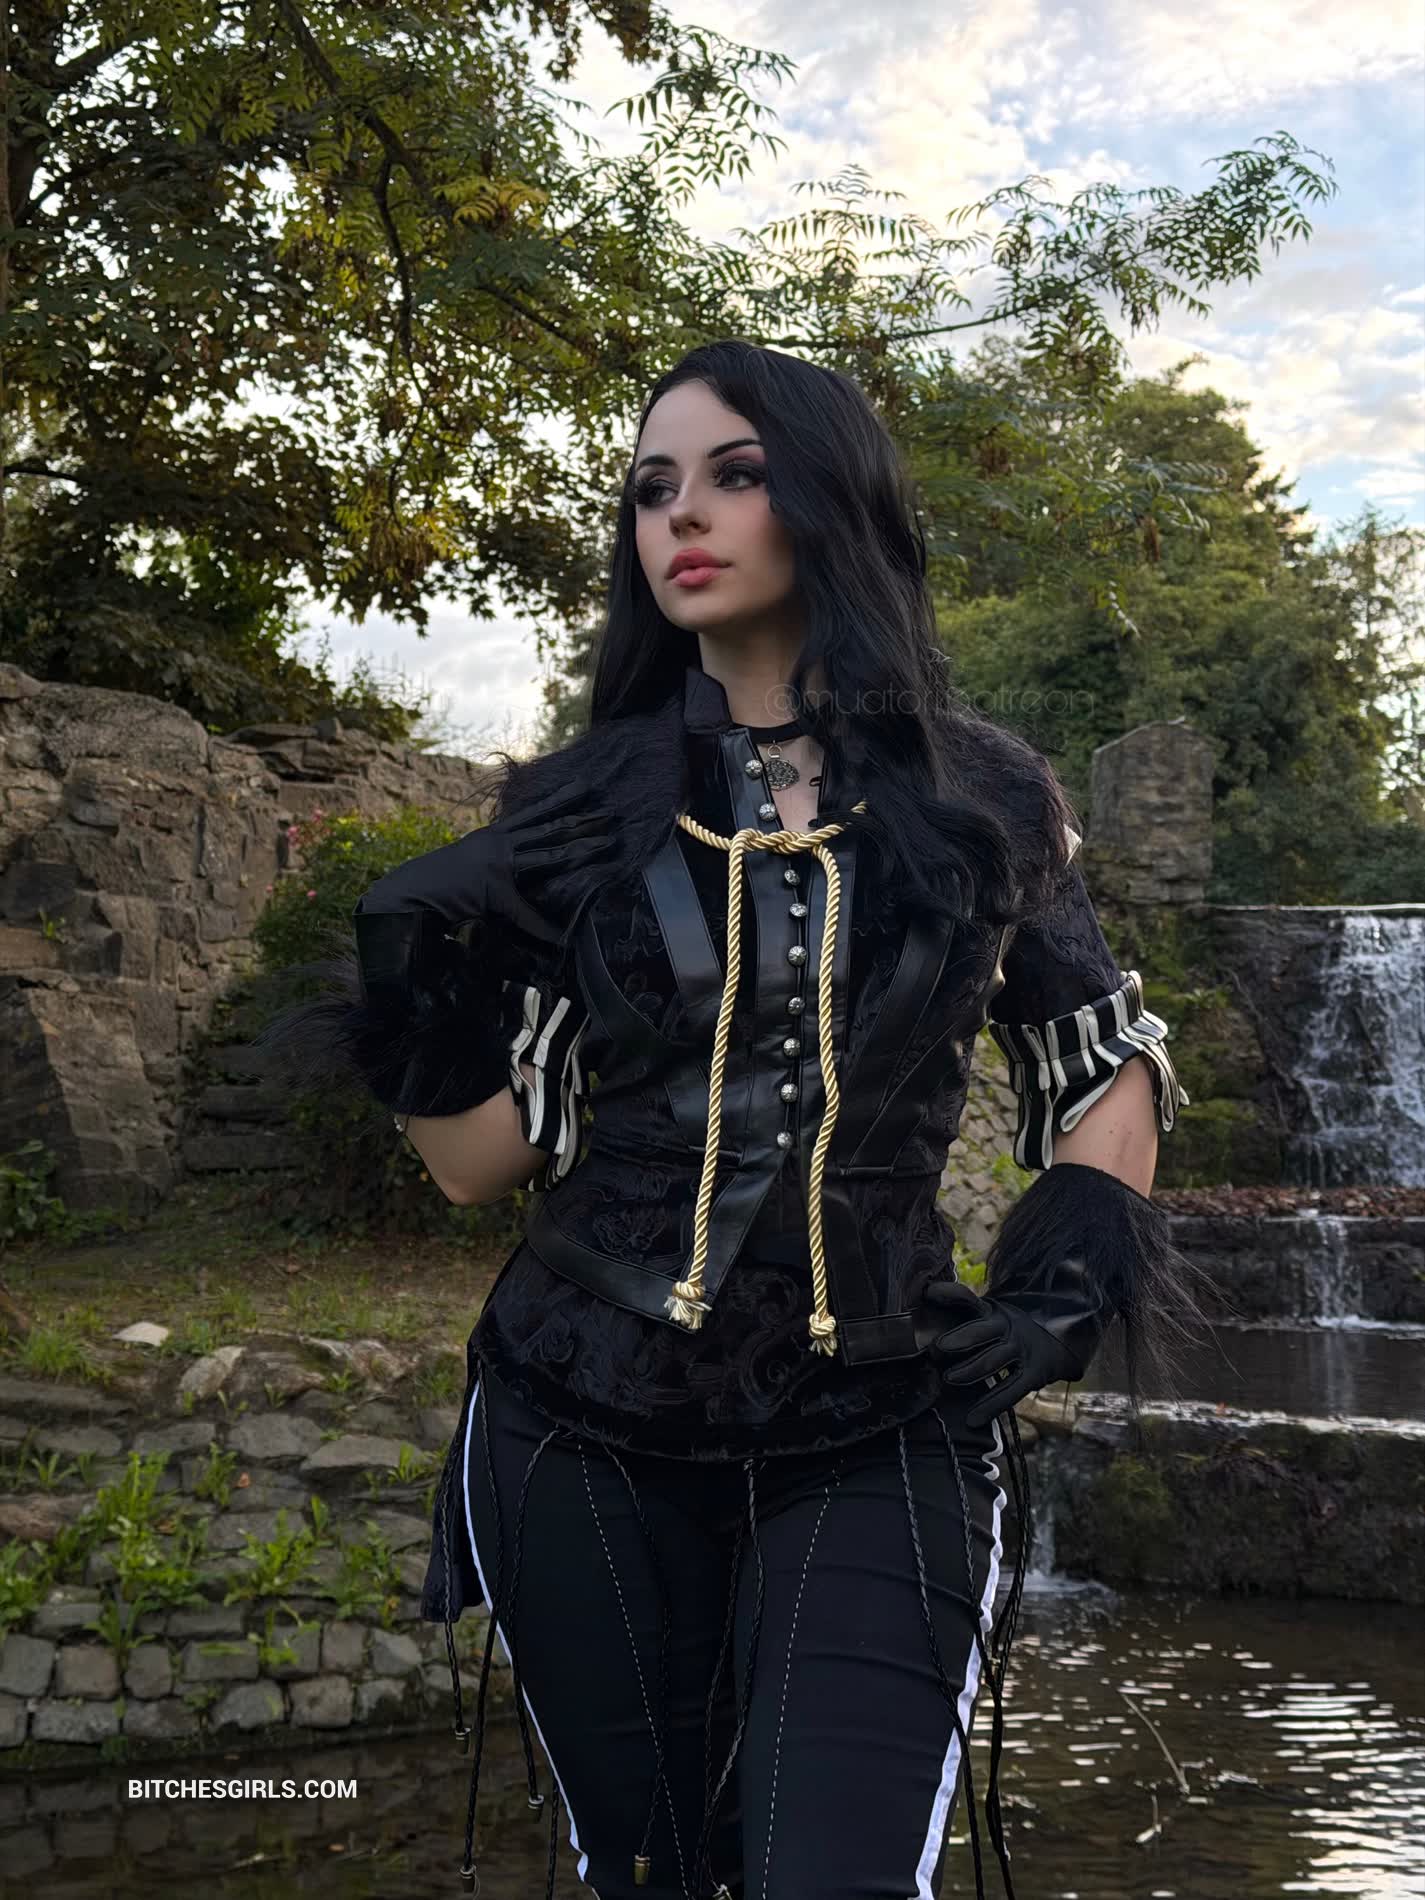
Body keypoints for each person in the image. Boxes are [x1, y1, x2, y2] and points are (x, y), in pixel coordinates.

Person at [258, 340, 1200, 1900]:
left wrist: (1055, 1297)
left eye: (733, 475)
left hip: (882, 1416)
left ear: (830, 498)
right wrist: (408, 976)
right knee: (644, 1877)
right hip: (577, 1420)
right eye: (650, 490)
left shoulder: (985, 794)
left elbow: (1098, 1061)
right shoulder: (578, 805)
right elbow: (479, 1166)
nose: (679, 517)